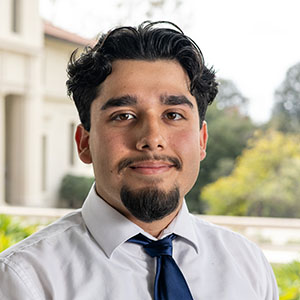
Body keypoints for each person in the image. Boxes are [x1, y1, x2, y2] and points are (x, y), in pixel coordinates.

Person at [0, 21, 278, 300]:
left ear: (202, 140)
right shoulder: (27, 279)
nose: (152, 138)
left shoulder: (249, 267)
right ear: (84, 143)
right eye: (123, 116)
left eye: (173, 115)